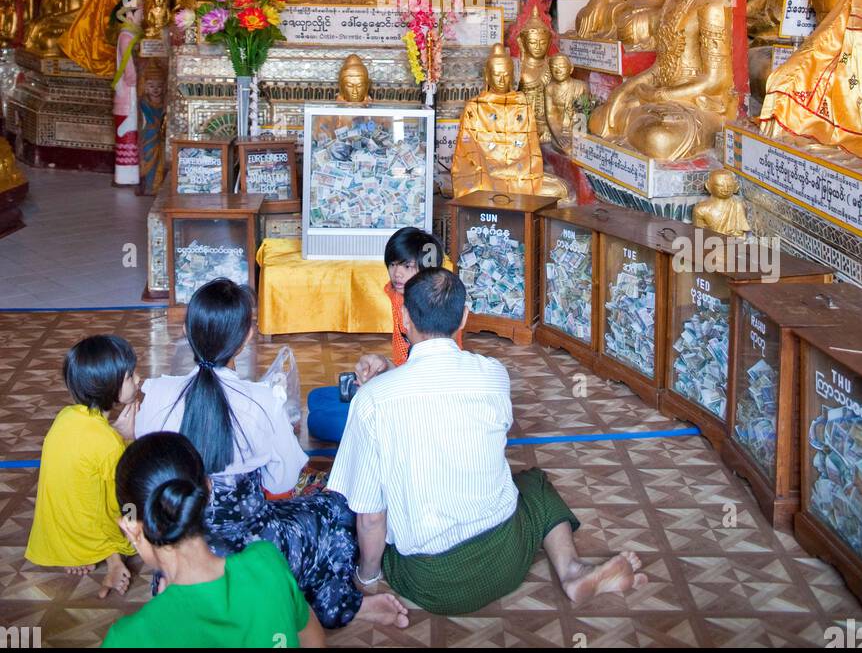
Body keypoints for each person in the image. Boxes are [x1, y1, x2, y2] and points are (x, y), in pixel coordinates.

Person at [330, 268, 647, 615]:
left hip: (434, 583)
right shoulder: (494, 375)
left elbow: (372, 520)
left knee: (360, 509)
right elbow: (437, 396)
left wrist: (367, 578)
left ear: (404, 317)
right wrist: (392, 373)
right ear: (464, 317)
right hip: (507, 557)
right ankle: (572, 570)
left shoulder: (373, 400)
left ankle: (373, 572)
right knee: (534, 484)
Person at [134, 278, 407, 631]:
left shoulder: (155, 393)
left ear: (188, 332)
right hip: (254, 553)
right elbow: (284, 481)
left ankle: (210, 602)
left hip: (180, 557)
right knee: (336, 506)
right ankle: (328, 603)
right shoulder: (262, 401)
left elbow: (147, 468)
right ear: (247, 337)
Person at [103, 433, 325, 649]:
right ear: (209, 490)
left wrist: (161, 613)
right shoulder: (268, 564)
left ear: (131, 528)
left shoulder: (128, 639)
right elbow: (312, 638)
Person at [26, 335, 140, 598]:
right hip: (93, 529)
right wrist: (129, 442)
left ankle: (92, 553)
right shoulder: (109, 443)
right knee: (137, 498)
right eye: (130, 376)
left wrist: (117, 437)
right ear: (111, 388)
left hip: (58, 536)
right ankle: (117, 552)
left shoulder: (66, 416)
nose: (137, 379)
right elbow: (121, 497)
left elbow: (90, 451)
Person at [357, 226, 460, 380]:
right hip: (404, 370)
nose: (397, 274)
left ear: (427, 269)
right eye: (392, 264)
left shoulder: (440, 306)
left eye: (407, 266)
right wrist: (387, 366)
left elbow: (445, 365)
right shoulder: (395, 292)